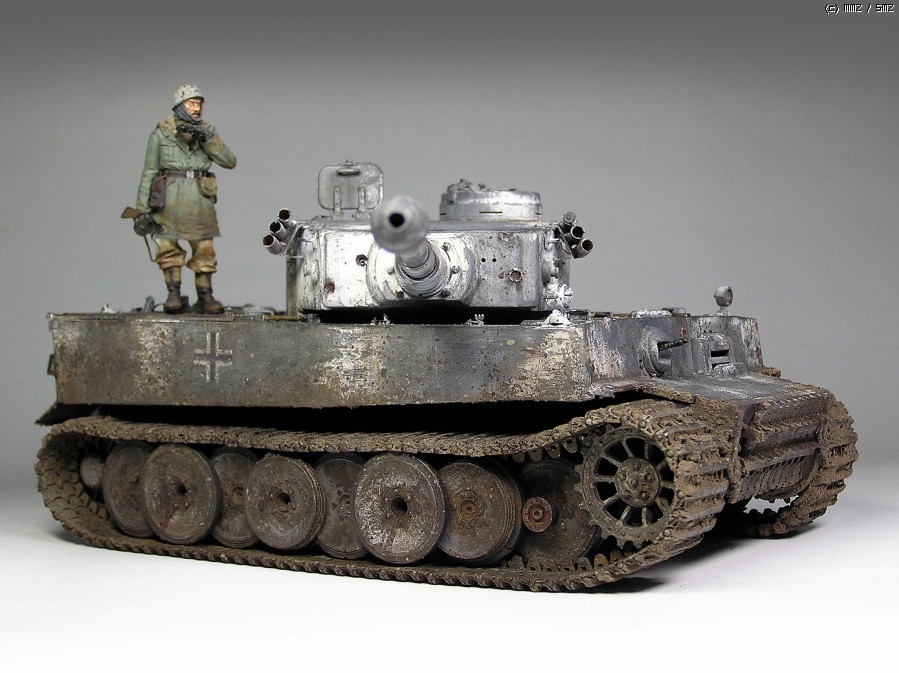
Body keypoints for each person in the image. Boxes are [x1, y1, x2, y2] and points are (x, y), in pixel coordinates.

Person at [134, 84, 237, 313]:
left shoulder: (207, 132)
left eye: (198, 103)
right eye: (191, 104)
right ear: (179, 105)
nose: (196, 108)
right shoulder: (161, 134)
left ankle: (206, 295)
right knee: (166, 245)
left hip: (198, 199)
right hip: (168, 199)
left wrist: (209, 140)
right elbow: (149, 171)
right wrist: (142, 209)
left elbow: (229, 161)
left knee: (204, 248)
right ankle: (173, 294)